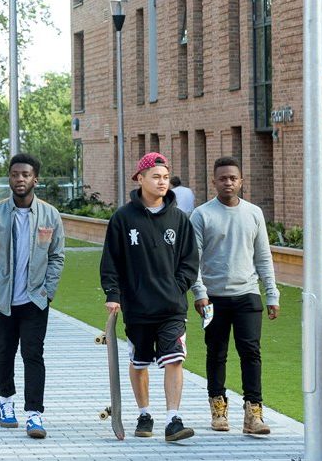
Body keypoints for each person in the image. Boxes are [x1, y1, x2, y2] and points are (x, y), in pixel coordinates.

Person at [100, 152, 199, 442]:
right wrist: (114, 294)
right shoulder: (122, 218)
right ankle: (144, 413)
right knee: (140, 362)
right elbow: (111, 262)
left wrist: (176, 287)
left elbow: (190, 262)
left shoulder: (180, 220)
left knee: (174, 359)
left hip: (171, 307)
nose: (162, 182)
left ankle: (173, 420)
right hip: (137, 307)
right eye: (156, 176)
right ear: (140, 179)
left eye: (166, 177)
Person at [0, 153, 65, 440]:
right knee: (4, 351)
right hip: (2, 300)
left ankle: (34, 414)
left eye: (25, 174)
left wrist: (48, 292)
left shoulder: (50, 215)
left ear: (35, 179)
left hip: (36, 300)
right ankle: (5, 402)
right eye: (15, 174)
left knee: (33, 354)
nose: (20, 179)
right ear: (9, 178)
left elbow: (57, 257)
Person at [190, 156, 279, 435]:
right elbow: (194, 259)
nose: (228, 182)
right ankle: (218, 410)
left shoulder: (253, 213)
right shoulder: (202, 215)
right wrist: (200, 293)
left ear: (241, 181)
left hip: (247, 294)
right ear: (213, 181)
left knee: (251, 353)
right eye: (222, 178)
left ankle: (254, 413)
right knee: (216, 353)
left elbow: (263, 256)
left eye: (233, 178)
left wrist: (272, 294)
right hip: (213, 297)